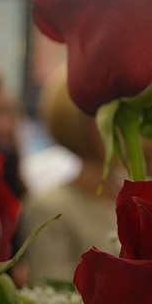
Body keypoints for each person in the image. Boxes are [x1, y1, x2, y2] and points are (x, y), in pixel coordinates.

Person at [17, 68, 125, 287]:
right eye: (115, 116)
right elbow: (54, 290)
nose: (129, 126)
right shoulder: (50, 208)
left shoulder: (141, 197)